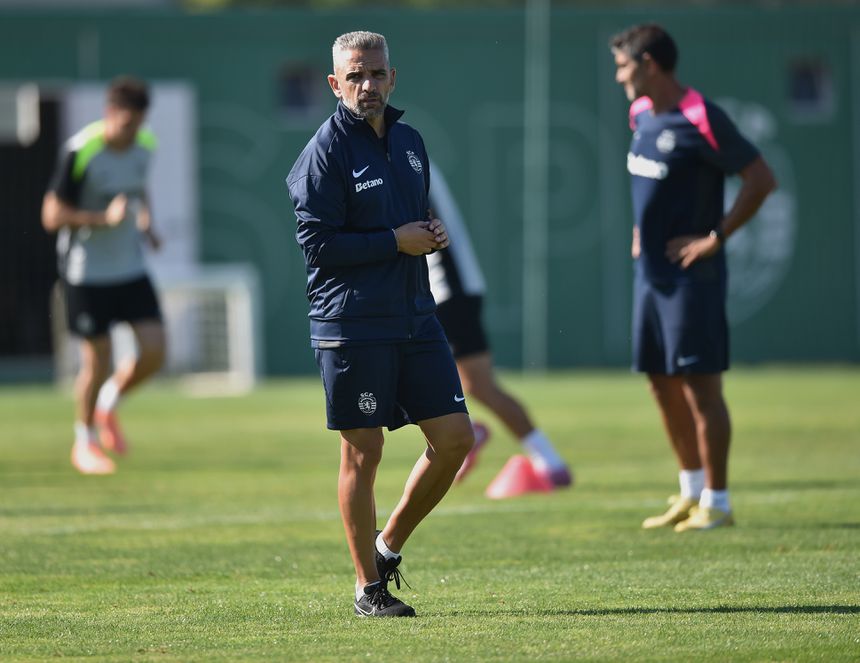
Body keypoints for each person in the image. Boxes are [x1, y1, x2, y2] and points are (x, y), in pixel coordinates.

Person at [286, 31, 474, 618]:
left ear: (393, 77)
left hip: (416, 316)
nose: (367, 85)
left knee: (456, 439)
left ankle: (386, 547)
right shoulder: (323, 152)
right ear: (334, 83)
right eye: (355, 75)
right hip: (351, 324)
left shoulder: (411, 141)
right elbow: (317, 245)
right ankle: (368, 589)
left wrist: (429, 232)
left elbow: (410, 220)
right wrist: (396, 240)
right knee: (364, 453)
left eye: (376, 73)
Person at [609, 24, 776, 531]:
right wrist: (641, 230)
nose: (619, 77)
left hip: (691, 279)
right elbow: (652, 188)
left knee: (702, 387)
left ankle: (718, 503)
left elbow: (761, 179)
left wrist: (714, 238)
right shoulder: (641, 113)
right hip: (649, 276)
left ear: (650, 65)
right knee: (660, 383)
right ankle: (690, 491)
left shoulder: (701, 116)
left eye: (624, 66)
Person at [42, 76, 165, 476]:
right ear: (110, 114)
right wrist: (102, 218)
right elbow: (51, 216)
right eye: (127, 124)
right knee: (97, 360)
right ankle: (85, 443)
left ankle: (107, 405)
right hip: (86, 272)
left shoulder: (145, 145)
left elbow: (138, 187)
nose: (133, 133)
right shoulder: (81, 151)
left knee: (155, 351)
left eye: (139, 124)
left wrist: (147, 222)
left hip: (129, 266)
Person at [425, 164, 572, 487]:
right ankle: (474, 433)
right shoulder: (394, 159)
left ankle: (548, 459)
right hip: (438, 292)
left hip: (448, 289)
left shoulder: (406, 159)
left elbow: (420, 225)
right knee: (466, 384)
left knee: (478, 384)